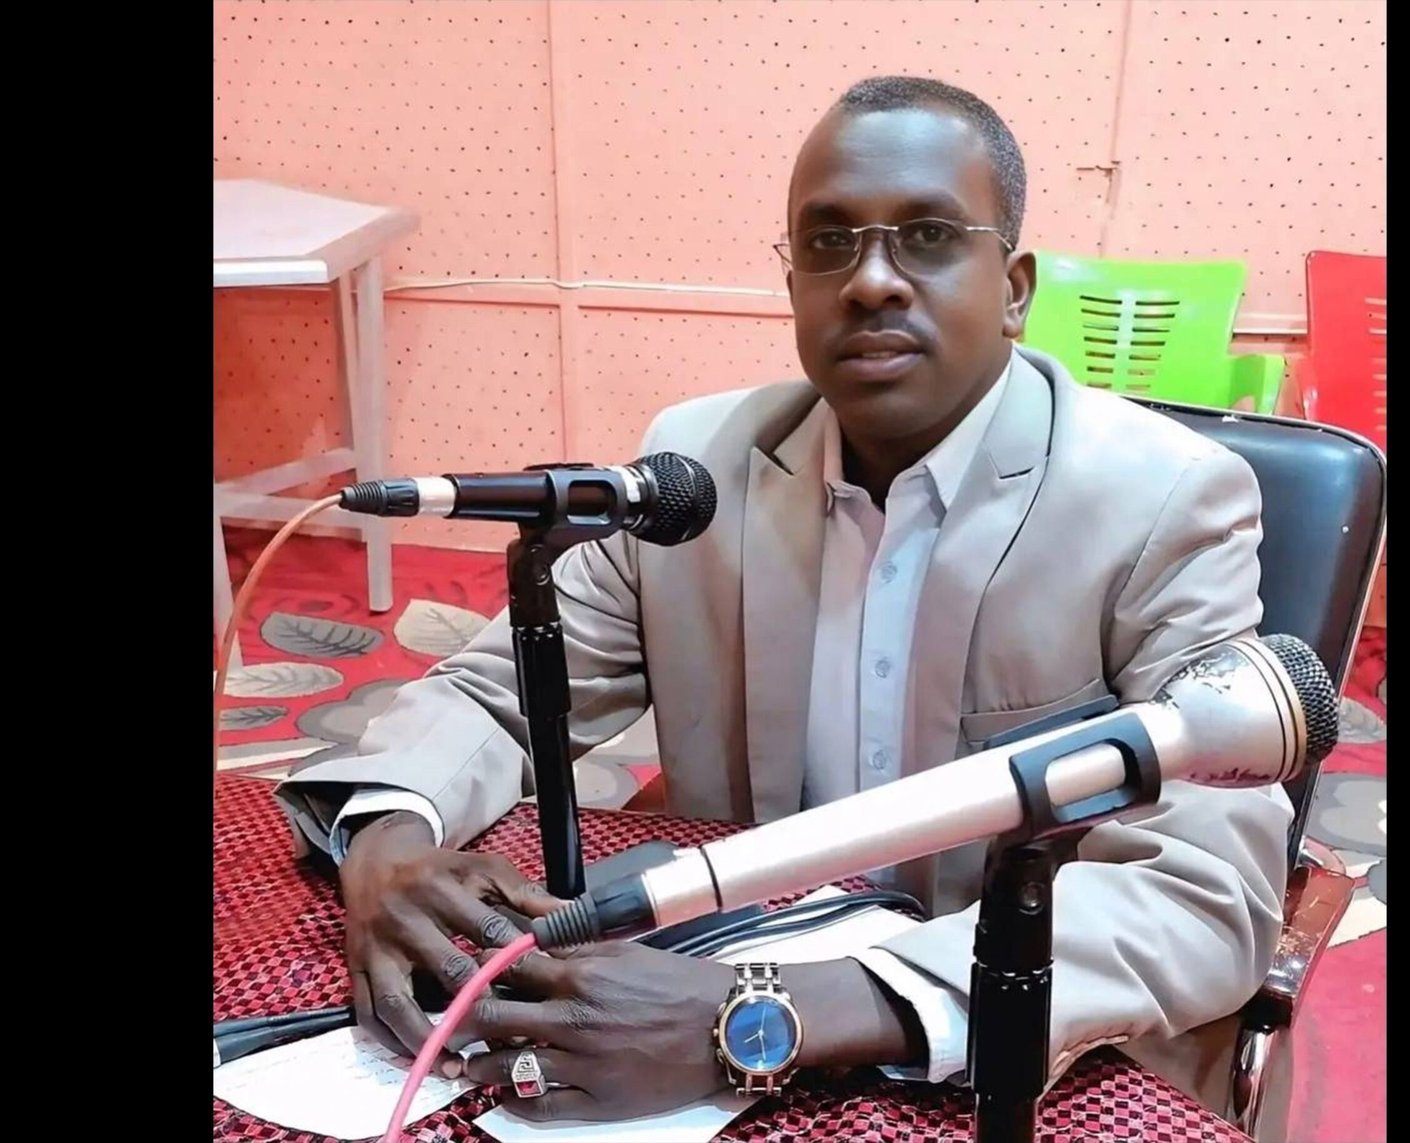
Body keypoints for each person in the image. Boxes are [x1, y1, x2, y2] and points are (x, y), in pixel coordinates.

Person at [275, 75, 1293, 1133]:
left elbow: (1203, 890)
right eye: (829, 242)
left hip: (993, 1036)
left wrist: (757, 1015)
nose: (872, 282)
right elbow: (497, 696)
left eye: (929, 236)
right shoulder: (696, 468)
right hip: (710, 993)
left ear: (1014, 286)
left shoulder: (1160, 499)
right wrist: (387, 841)